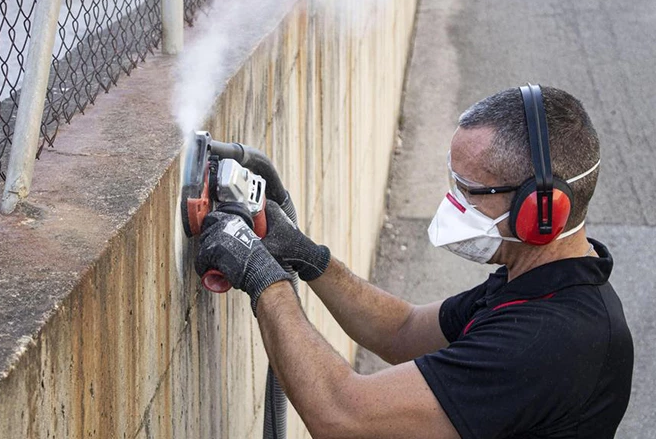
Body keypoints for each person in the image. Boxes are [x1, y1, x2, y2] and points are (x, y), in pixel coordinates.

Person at [195, 85, 634, 439]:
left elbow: (342, 416)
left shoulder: (549, 339)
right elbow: (402, 330)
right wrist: (309, 258)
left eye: (468, 190)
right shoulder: (540, 280)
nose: (451, 203)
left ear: (541, 209)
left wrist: (264, 279)